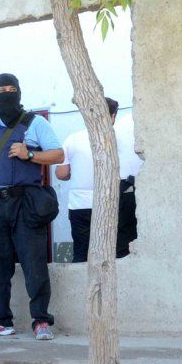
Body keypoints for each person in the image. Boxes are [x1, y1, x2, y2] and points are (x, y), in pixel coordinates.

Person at [0, 73, 64, 340]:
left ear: (19, 92)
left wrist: (29, 154)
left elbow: (57, 154)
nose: (6, 93)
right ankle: (0, 321)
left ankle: (41, 321)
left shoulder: (35, 122)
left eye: (11, 88)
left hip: (26, 202)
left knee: (34, 262)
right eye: (1, 89)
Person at [55, 97, 143, 262]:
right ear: (112, 116)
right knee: (118, 251)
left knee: (82, 253)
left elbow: (61, 174)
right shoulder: (120, 138)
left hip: (80, 205)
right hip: (113, 203)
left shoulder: (73, 139)